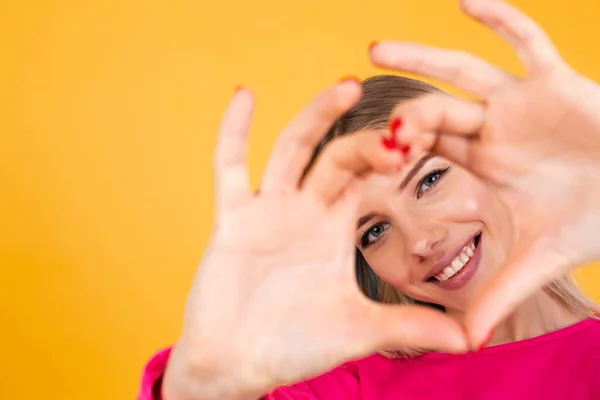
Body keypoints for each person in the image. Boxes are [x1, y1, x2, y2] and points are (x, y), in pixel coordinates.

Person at [138, 1, 600, 399]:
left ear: (490, 166)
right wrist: (198, 386)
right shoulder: (349, 386)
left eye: (430, 180)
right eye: (374, 231)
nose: (421, 240)